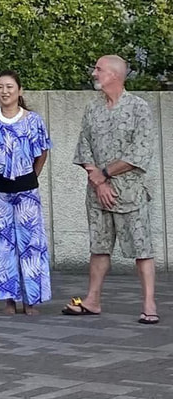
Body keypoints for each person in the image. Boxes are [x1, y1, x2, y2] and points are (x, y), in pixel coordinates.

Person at [64, 55, 158, 323]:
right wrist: (98, 180)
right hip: (97, 194)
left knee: (142, 248)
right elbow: (84, 147)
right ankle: (92, 299)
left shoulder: (139, 108)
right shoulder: (92, 109)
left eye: (99, 69)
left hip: (130, 193)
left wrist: (105, 174)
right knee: (99, 246)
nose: (94, 73)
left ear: (115, 75)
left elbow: (140, 152)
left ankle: (149, 304)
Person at [0, 73, 52, 314]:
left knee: (30, 244)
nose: (5, 91)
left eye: (10, 87)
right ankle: (8, 298)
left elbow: (42, 151)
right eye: (0, 87)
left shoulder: (33, 120)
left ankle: (31, 298)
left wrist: (30, 174)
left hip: (27, 188)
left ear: (20, 90)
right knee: (1, 243)